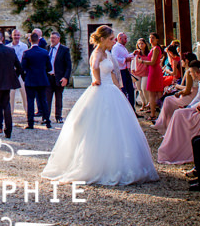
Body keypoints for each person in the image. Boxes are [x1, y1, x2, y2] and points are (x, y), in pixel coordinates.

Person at [42, 26, 158, 186]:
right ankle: (97, 164)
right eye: (111, 39)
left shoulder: (108, 53)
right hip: (101, 90)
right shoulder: (97, 53)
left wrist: (119, 88)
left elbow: (112, 72)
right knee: (99, 125)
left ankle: (117, 162)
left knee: (118, 127)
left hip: (112, 90)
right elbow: (95, 66)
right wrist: (96, 79)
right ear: (102, 39)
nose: (114, 41)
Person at [158, 75, 200, 164]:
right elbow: (198, 98)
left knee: (178, 112)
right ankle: (171, 139)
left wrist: (196, 106)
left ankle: (176, 143)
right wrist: (189, 107)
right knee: (177, 112)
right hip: (197, 106)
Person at [155, 60, 200, 132]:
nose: (181, 62)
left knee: (168, 101)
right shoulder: (190, 73)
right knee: (168, 100)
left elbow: (187, 90)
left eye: (182, 60)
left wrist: (179, 92)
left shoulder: (189, 72)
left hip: (192, 96)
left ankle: (166, 126)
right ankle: (165, 124)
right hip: (194, 97)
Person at [21, 39, 52, 129]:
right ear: (38, 41)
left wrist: (25, 78)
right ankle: (47, 121)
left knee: (30, 101)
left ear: (30, 41)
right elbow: (49, 67)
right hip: (42, 79)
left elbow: (23, 67)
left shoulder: (27, 53)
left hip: (30, 80)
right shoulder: (44, 52)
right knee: (43, 101)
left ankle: (30, 123)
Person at [46, 31, 72, 123]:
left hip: (59, 77)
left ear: (58, 39)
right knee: (47, 98)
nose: (52, 40)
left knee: (58, 98)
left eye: (54, 38)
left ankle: (58, 116)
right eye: (51, 38)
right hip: (48, 77)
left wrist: (66, 77)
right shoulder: (47, 48)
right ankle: (46, 117)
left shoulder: (64, 50)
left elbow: (68, 65)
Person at [9, 29, 30, 122]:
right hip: (11, 73)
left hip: (21, 73)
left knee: (25, 95)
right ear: (12, 36)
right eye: (15, 35)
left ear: (20, 36)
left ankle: (28, 115)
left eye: (18, 35)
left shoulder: (24, 46)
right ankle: (10, 115)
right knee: (10, 96)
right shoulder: (8, 47)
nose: (16, 37)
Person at [112, 31, 136, 110]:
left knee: (131, 90)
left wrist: (133, 54)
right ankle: (124, 109)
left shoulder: (123, 47)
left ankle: (132, 109)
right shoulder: (116, 48)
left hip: (126, 71)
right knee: (124, 90)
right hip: (121, 71)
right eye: (125, 39)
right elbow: (114, 59)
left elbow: (126, 57)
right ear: (120, 38)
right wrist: (125, 60)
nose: (126, 40)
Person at [146, 34, 167, 119]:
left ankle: (153, 114)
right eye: (150, 37)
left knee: (153, 93)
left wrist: (142, 61)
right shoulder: (154, 48)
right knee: (157, 93)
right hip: (153, 70)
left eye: (153, 38)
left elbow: (152, 62)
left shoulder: (156, 49)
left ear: (157, 39)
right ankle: (160, 113)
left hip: (155, 71)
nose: (151, 39)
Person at [132, 37, 151, 114]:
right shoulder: (136, 53)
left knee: (144, 89)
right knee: (139, 89)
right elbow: (133, 61)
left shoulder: (148, 53)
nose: (140, 45)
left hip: (146, 72)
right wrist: (132, 69)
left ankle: (148, 103)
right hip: (137, 72)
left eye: (142, 43)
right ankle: (143, 104)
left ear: (145, 44)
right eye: (139, 44)